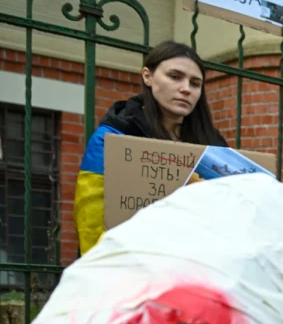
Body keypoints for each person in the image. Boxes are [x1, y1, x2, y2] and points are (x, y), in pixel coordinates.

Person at [75, 41, 227, 255]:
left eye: (195, 83)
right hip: (131, 267)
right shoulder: (113, 137)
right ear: (147, 76)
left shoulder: (215, 146)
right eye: (175, 77)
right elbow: (92, 221)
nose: (186, 89)